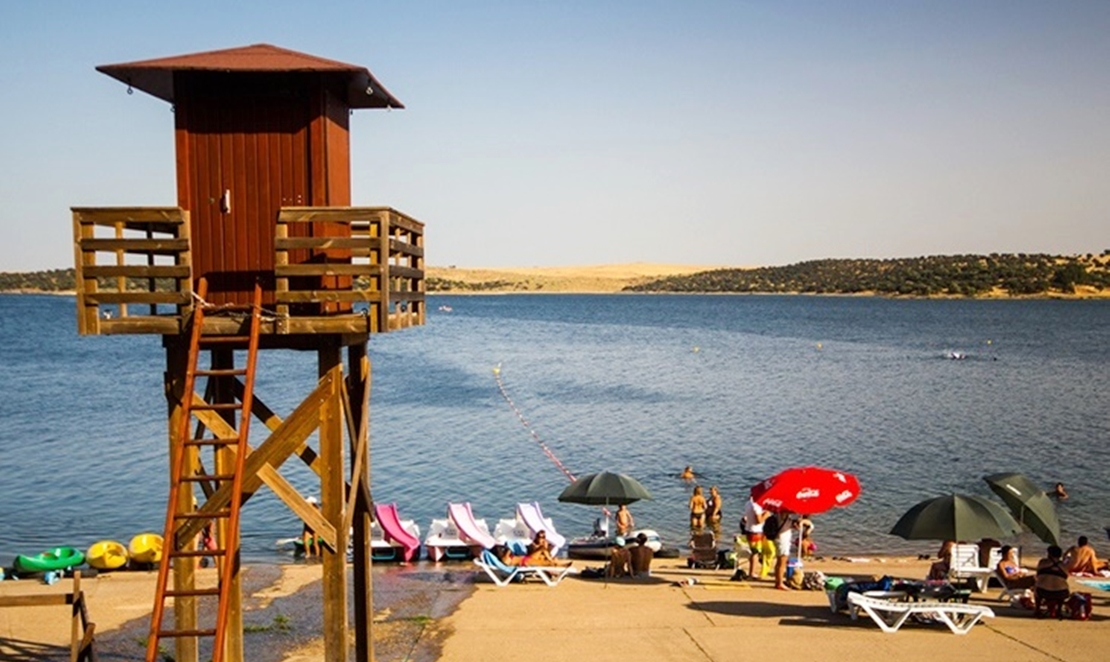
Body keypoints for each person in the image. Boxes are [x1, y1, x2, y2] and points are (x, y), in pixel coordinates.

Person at [1034, 545, 1071, 616]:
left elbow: (1038, 574)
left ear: (1049, 554)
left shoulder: (1043, 562)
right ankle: (1059, 610)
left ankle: (1037, 609)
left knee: (1036, 586)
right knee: (1062, 585)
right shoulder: (1063, 565)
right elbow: (1066, 576)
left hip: (1043, 591)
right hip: (1061, 593)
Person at [742, 496, 770, 580]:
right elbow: (759, 520)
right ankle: (752, 573)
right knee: (755, 553)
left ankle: (752, 572)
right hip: (756, 531)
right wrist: (766, 514)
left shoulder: (748, 503)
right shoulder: (756, 505)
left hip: (749, 529)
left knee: (754, 552)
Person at [773, 513, 795, 590]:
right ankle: (779, 583)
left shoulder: (780, 515)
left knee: (780, 560)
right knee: (782, 560)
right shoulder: (781, 514)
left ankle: (778, 581)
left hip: (780, 536)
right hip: (782, 538)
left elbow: (787, 524)